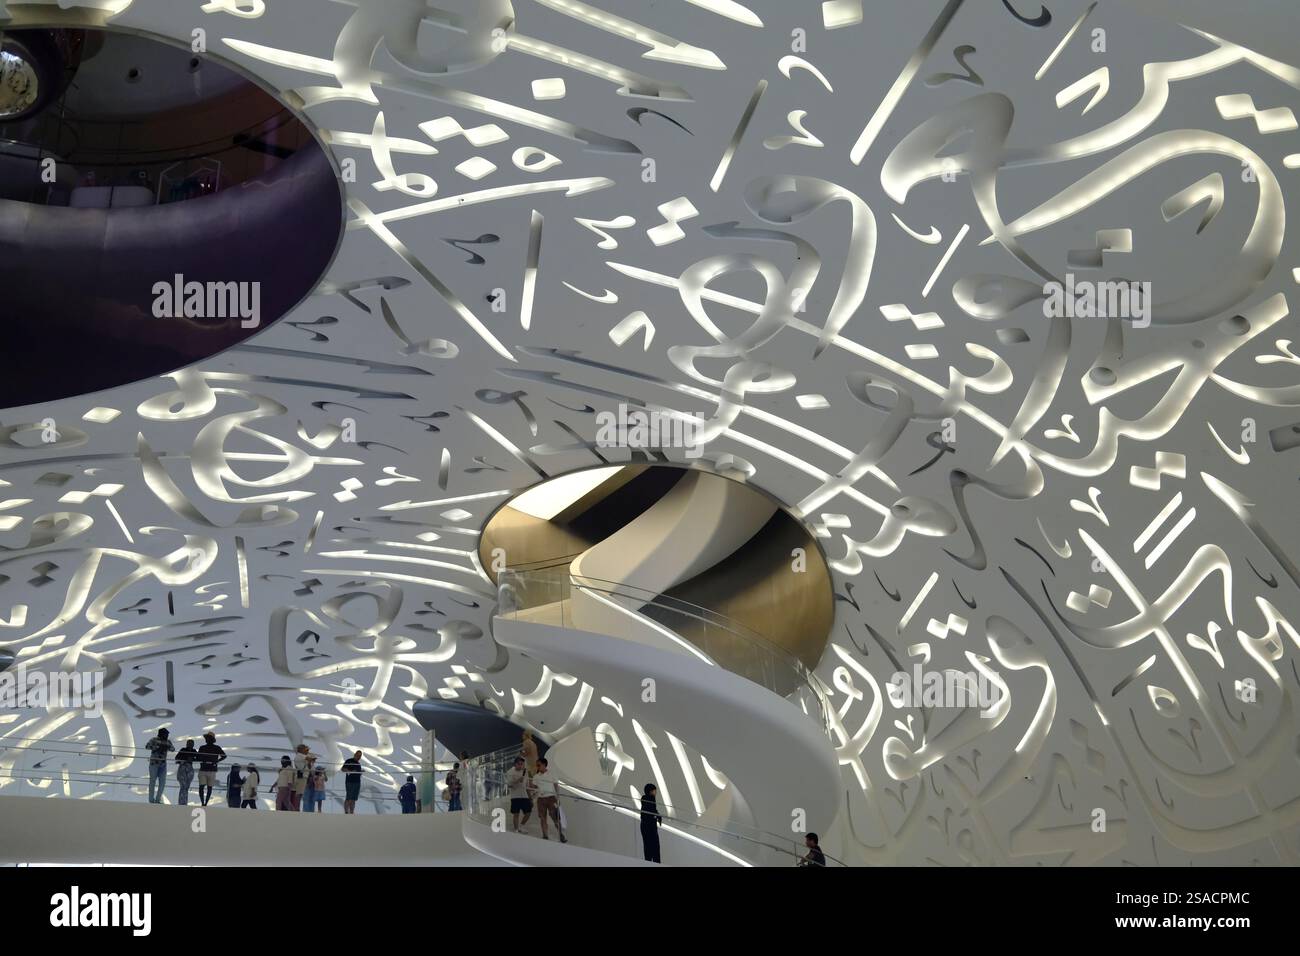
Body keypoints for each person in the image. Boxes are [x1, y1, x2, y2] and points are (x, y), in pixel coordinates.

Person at [533, 758, 566, 843]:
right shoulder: (536, 776)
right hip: (541, 799)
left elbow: (556, 785)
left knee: (555, 818)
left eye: (539, 765)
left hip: (551, 798)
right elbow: (534, 787)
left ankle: (561, 835)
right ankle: (545, 835)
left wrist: (558, 797)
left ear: (544, 764)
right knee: (543, 818)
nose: (537, 767)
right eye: (537, 765)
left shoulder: (552, 773)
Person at [196, 732, 227, 807]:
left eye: (208, 738)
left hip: (206, 769)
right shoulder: (206, 748)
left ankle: (204, 803)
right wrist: (217, 761)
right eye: (206, 738)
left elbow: (224, 756)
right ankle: (204, 803)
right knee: (205, 787)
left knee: (205, 787)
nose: (206, 739)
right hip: (208, 769)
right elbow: (224, 756)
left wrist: (217, 761)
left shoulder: (204, 748)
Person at [144, 728, 173, 804]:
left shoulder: (168, 741)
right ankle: (151, 800)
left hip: (163, 764)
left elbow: (173, 749)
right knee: (152, 781)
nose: (167, 735)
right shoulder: (154, 739)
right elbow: (147, 746)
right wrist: (157, 747)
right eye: (166, 734)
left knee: (162, 783)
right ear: (161, 734)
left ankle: (158, 799)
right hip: (154, 763)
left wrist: (166, 747)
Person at [506, 756, 532, 833]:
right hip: (515, 796)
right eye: (519, 764)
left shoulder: (525, 772)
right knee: (516, 813)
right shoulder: (510, 772)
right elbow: (509, 785)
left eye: (522, 764)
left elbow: (527, 785)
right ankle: (516, 829)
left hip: (524, 796)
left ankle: (521, 826)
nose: (521, 766)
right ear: (515, 764)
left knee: (528, 812)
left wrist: (530, 797)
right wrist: (518, 780)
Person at [640, 783, 662, 863]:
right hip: (648, 826)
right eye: (654, 791)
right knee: (653, 845)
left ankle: (649, 862)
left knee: (649, 846)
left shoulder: (647, 799)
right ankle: (654, 863)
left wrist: (657, 816)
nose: (655, 792)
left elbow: (653, 810)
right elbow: (650, 810)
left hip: (647, 825)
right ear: (650, 791)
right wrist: (656, 816)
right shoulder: (649, 799)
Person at [175, 739, 199, 806]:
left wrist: (192, 759)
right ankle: (181, 802)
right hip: (183, 766)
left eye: (191, 743)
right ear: (186, 744)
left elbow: (198, 758)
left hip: (189, 768)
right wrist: (185, 759)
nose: (190, 745)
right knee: (183, 786)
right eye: (189, 743)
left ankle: (184, 802)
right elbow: (177, 758)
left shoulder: (194, 751)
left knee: (186, 786)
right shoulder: (183, 750)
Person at [291, 744, 312, 811]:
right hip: (302, 777)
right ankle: (297, 808)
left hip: (302, 776)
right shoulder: (301, 756)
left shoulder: (299, 756)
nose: (307, 751)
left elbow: (309, 766)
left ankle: (297, 808)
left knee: (299, 793)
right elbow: (310, 759)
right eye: (305, 749)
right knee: (299, 794)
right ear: (301, 750)